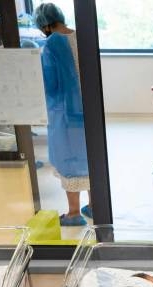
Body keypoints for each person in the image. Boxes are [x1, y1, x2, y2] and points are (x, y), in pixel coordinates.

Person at [34, 3, 92, 227]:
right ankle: (95, 205)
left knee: (70, 159)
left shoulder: (51, 44)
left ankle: (74, 213)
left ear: (45, 25)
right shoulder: (83, 37)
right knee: (90, 156)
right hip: (89, 110)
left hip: (66, 113)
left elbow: (50, 84)